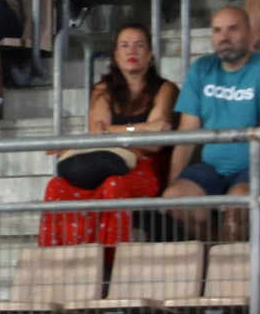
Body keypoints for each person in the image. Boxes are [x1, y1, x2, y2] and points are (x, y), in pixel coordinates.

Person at [38, 23, 178, 247]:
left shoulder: (165, 89)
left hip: (146, 166)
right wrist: (142, 128)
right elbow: (98, 136)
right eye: (124, 46)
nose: (131, 51)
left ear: (150, 54)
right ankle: (58, 265)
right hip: (103, 163)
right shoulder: (103, 89)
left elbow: (153, 145)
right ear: (115, 55)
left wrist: (112, 131)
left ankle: (109, 263)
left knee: (115, 185)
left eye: (139, 45)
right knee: (56, 187)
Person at [163, 7, 260, 240]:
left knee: (237, 207)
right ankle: (216, 253)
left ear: (250, 34)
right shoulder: (201, 69)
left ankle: (233, 269)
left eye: (233, 29)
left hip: (255, 166)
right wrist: (172, 182)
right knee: (175, 199)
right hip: (212, 168)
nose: (224, 36)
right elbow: (186, 135)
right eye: (217, 30)